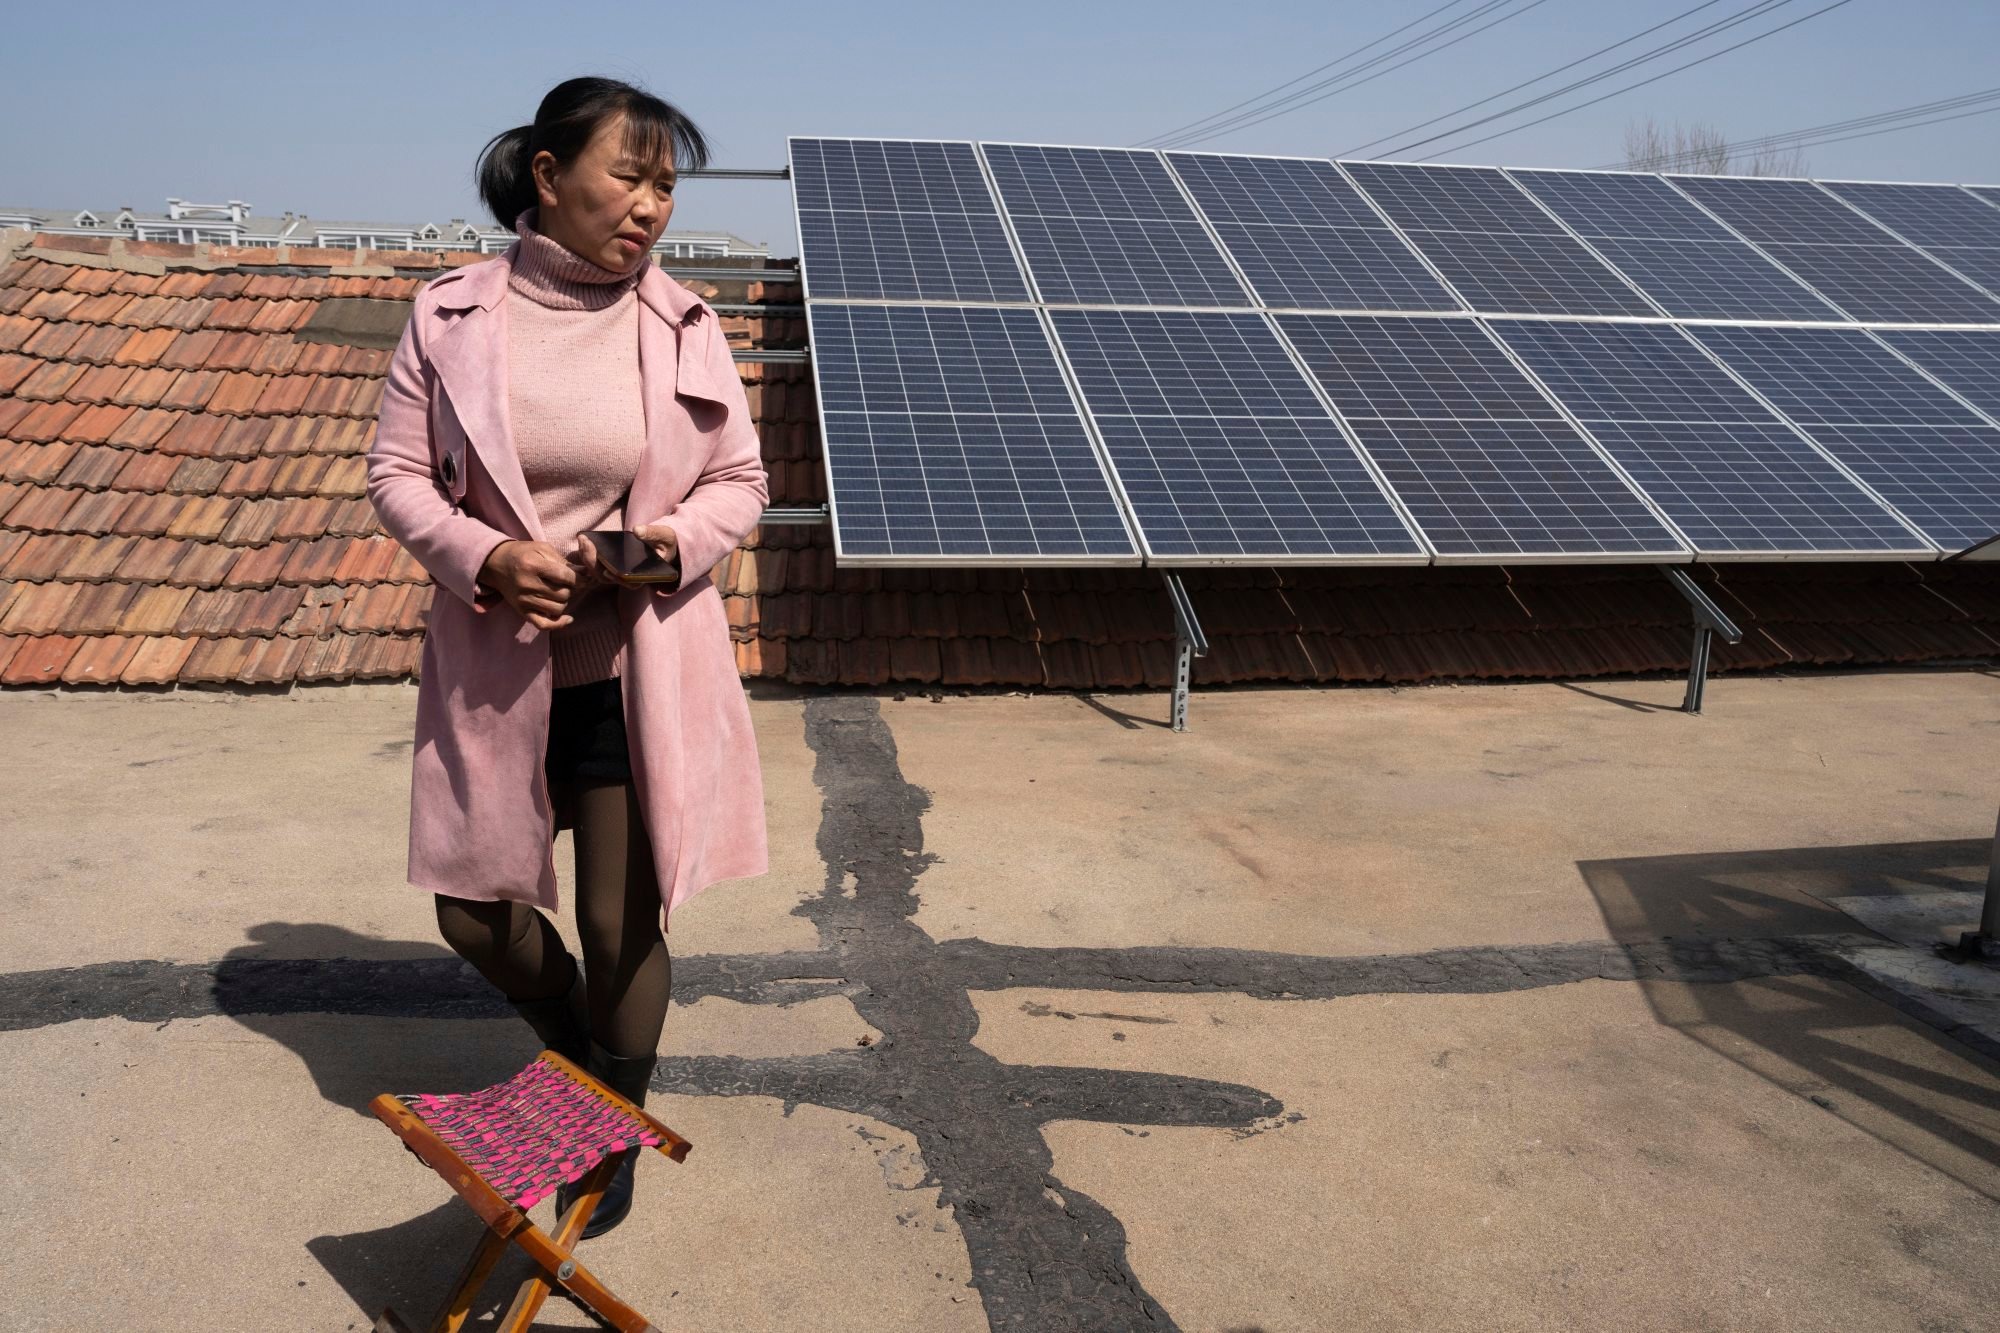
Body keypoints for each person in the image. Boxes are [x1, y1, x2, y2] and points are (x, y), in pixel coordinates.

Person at [364, 76, 769, 1237]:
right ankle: (580, 1073)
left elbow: (738, 485)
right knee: (474, 914)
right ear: (549, 177)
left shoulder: (684, 322)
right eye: (626, 176)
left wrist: (648, 548)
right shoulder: (448, 316)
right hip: (496, 674)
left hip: (639, 673)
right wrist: (485, 557)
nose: (648, 206)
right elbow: (396, 475)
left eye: (665, 186)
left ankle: (605, 1131)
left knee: (618, 923)